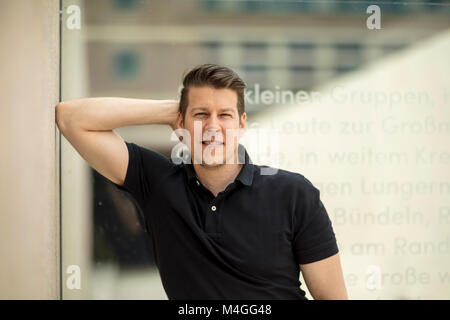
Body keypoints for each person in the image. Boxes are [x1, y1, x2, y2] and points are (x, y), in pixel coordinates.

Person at [56, 63, 348, 300]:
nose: (212, 126)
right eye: (201, 115)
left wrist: (192, 113)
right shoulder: (157, 182)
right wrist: (169, 111)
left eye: (224, 115)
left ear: (242, 124)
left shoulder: (294, 193)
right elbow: (70, 118)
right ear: (180, 123)